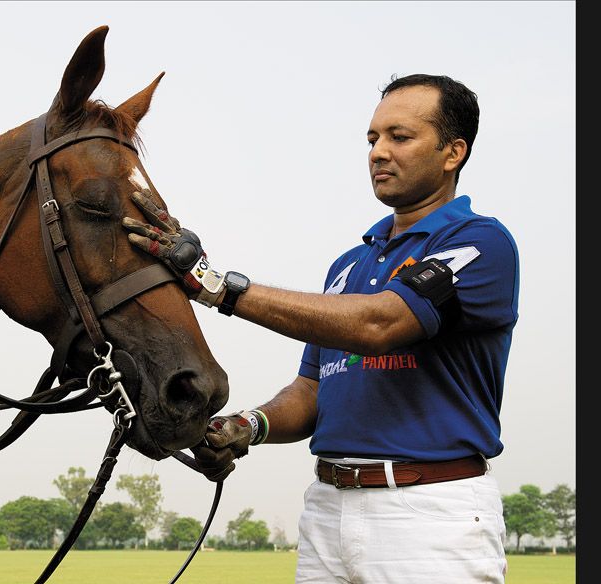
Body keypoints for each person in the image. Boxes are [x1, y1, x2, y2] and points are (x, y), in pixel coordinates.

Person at [122, 73, 518, 583]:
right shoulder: (347, 267)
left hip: (429, 514)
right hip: (327, 510)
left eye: (400, 137)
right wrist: (248, 425)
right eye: (372, 139)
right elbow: (314, 389)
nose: (378, 152)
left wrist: (213, 284)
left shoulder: (479, 242)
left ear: (453, 152)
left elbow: (381, 324)